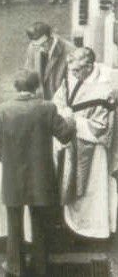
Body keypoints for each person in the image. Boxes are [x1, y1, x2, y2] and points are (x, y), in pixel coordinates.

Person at [0, 69, 75, 277]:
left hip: (13, 176)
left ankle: (15, 265)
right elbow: (64, 135)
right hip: (40, 176)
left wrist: (8, 161)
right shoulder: (47, 108)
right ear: (36, 86)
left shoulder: (3, 110)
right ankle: (41, 265)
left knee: (14, 222)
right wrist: (71, 120)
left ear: (16, 87)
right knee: (40, 220)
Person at [52, 47, 118, 239]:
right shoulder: (71, 77)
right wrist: (62, 113)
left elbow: (101, 127)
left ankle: (94, 229)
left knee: (92, 190)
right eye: (71, 70)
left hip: (93, 149)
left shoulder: (105, 88)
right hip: (71, 142)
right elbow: (59, 100)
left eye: (76, 71)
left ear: (89, 67)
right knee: (70, 184)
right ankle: (73, 224)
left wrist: (73, 120)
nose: (72, 74)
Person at [22, 21, 75, 101]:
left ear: (52, 35)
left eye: (44, 44)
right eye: (37, 45)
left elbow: (74, 82)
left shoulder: (70, 51)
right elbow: (28, 71)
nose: (41, 48)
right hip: (40, 101)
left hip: (60, 100)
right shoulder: (32, 47)